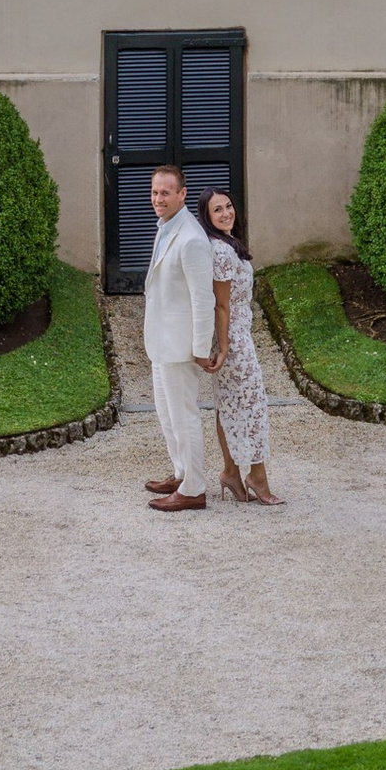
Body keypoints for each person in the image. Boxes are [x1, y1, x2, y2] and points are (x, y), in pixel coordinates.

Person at [139, 163, 217, 512]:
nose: (158, 198)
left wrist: (201, 348)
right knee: (166, 413)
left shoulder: (191, 239)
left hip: (181, 345)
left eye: (165, 193)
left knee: (184, 415)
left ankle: (194, 489)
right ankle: (182, 473)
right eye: (155, 192)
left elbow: (204, 299)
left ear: (182, 195)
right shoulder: (167, 226)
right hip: (161, 342)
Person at [203, 189, 278, 505]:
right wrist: (223, 347)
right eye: (217, 210)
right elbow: (221, 304)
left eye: (228, 206)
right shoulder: (220, 251)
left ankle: (231, 472)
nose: (225, 213)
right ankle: (257, 477)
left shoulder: (229, 245)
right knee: (251, 404)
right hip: (231, 337)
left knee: (230, 405)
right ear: (207, 218)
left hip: (237, 332)